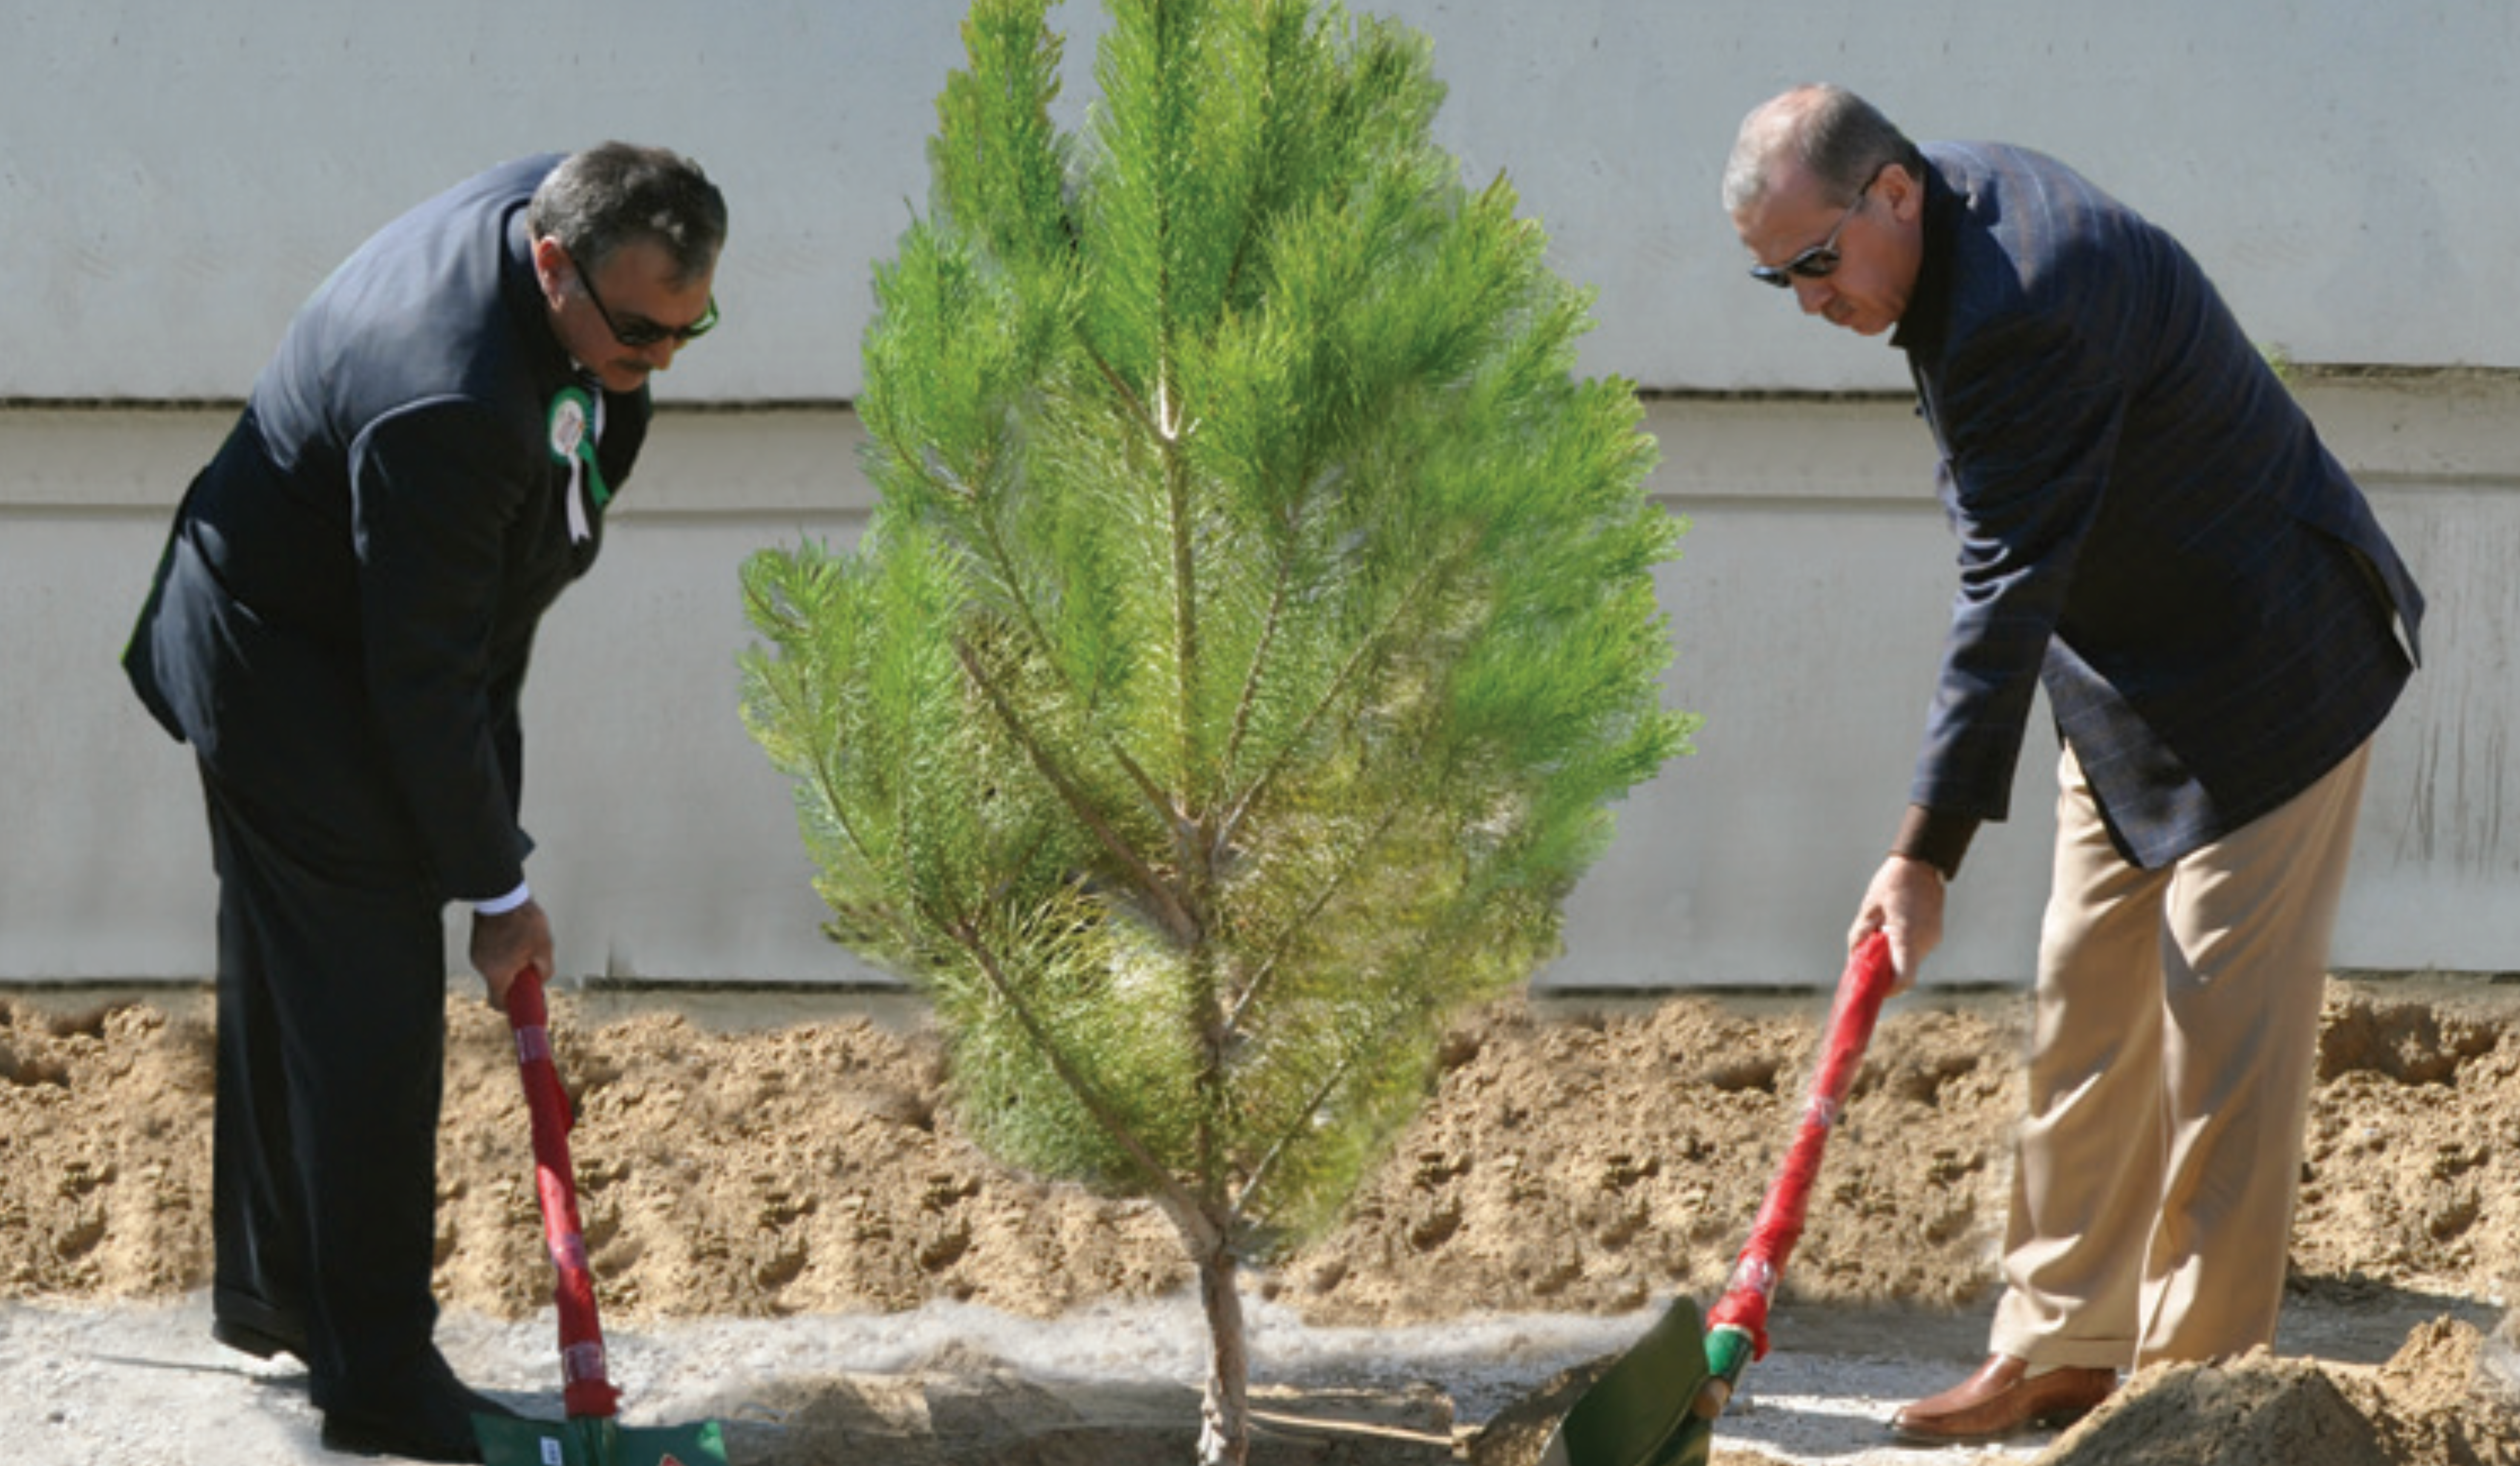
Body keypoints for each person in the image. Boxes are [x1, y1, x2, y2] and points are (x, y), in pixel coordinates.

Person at [1721, 86, 2423, 1443]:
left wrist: (1920, 854)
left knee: (2221, 1035)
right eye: (1776, 277)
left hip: (2273, 663)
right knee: (2083, 1010)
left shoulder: (2024, 298)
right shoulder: (1943, 241)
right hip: (2129, 671)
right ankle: (2062, 1348)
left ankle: (2188, 1400)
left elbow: (2003, 582)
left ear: (1895, 197)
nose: (1806, 301)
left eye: (1815, 264)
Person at [124, 144, 727, 1463]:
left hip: (350, 633)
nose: (664, 361)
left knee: (304, 987)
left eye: (692, 330)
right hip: (286, 668)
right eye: (638, 333)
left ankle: (289, 1300)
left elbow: (463, 640)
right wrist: (497, 889)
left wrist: (486, 845)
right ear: (552, 263)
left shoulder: (576, 202)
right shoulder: (445, 401)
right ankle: (382, 1380)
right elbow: (428, 677)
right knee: (369, 1015)